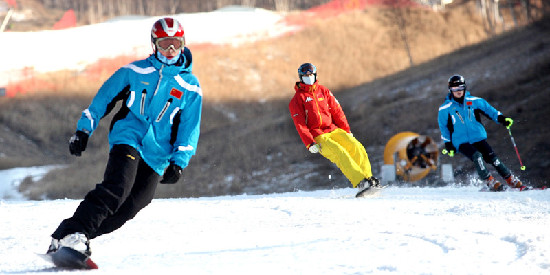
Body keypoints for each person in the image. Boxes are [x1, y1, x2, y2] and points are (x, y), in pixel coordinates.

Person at [47, 17, 203, 257]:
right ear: (154, 44)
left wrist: (179, 161)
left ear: (183, 44)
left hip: (157, 154)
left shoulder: (190, 86)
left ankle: (69, 235)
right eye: (164, 44)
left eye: (175, 44)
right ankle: (76, 233)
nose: (170, 50)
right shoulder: (134, 72)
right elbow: (103, 99)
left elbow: (189, 128)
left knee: (129, 207)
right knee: (117, 188)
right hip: (128, 137)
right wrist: (83, 130)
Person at [288, 63, 380, 197]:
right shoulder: (297, 100)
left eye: (311, 75)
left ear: (315, 75)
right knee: (340, 153)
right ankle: (360, 182)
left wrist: (346, 130)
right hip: (318, 136)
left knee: (356, 146)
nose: (309, 78)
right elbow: (300, 124)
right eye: (305, 76)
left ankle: (369, 179)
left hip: (333, 130)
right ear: (301, 78)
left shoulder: (324, 91)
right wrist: (309, 143)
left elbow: (337, 111)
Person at [438, 74, 524, 191]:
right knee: (477, 156)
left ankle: (510, 179)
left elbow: (490, 111)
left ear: (465, 88)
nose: (458, 91)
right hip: (461, 141)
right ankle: (489, 180)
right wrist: (448, 144)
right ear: (450, 90)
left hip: (477, 137)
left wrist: (502, 119)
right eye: (455, 89)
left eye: (460, 88)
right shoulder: (445, 108)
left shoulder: (475, 101)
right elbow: (444, 128)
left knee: (493, 158)